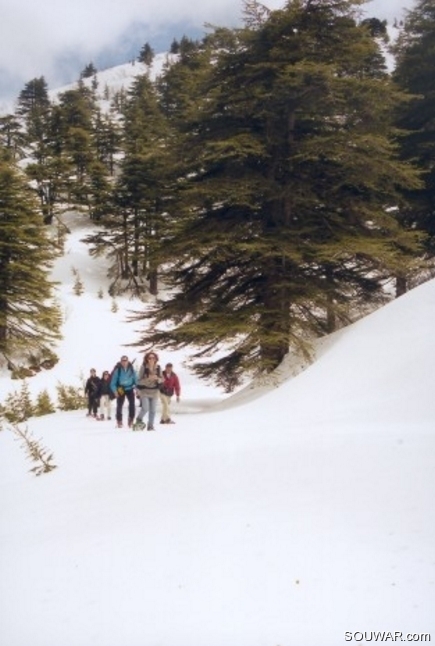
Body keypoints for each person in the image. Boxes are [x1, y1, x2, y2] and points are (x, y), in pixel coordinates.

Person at [134, 351, 162, 431]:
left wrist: (157, 379)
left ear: (156, 359)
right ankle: (139, 419)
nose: (151, 359)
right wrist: (148, 379)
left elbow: (162, 379)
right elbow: (138, 381)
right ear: (147, 359)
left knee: (153, 410)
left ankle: (150, 426)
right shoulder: (143, 367)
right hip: (145, 391)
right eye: (150, 358)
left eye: (153, 358)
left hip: (155, 391)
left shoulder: (159, 367)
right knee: (145, 408)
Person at [110, 355, 137, 428]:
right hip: (121, 388)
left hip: (130, 388)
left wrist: (138, 390)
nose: (124, 362)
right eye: (123, 360)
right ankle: (119, 421)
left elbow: (136, 381)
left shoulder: (132, 370)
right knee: (119, 405)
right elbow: (113, 383)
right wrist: (115, 391)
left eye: (125, 360)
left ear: (128, 361)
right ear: (121, 362)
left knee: (132, 404)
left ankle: (131, 419)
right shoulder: (117, 370)